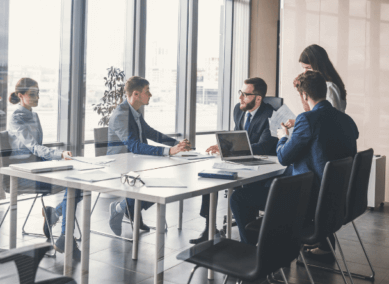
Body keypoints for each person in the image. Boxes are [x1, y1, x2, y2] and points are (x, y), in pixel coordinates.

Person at [275, 71, 359, 254]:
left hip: (311, 199)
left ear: (304, 95)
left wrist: (283, 138)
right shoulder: (347, 120)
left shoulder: (306, 119)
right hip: (339, 197)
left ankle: (269, 252)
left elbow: (283, 158)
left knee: (244, 198)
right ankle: (322, 244)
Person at [190, 77, 278, 244]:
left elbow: (264, 146)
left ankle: (250, 238)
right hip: (239, 160)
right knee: (211, 177)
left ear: (258, 98)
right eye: (240, 93)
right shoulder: (239, 109)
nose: (240, 98)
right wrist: (223, 146)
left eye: (245, 94)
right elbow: (238, 136)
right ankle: (210, 228)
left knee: (242, 196)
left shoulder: (271, 116)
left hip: (262, 166)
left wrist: (230, 149)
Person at [8, 77, 82, 260]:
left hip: (38, 166)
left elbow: (38, 149)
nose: (37, 97)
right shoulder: (16, 118)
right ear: (21, 95)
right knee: (73, 185)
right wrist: (59, 155)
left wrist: (57, 159)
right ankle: (63, 233)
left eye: (38, 93)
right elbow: (33, 147)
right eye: (33, 94)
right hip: (24, 173)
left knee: (78, 183)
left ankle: (56, 216)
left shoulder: (33, 115)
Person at [107, 76, 191, 235]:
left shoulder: (134, 112)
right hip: (120, 165)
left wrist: (176, 144)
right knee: (155, 184)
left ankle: (129, 208)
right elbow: (134, 146)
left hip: (135, 162)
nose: (150, 95)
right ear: (136, 94)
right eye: (147, 91)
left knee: (162, 183)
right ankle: (120, 208)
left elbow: (150, 133)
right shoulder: (121, 115)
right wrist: (168, 151)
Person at [284, 44, 347, 129]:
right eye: (303, 68)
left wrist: (298, 122)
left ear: (319, 66)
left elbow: (330, 120)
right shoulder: (323, 85)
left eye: (308, 68)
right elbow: (314, 114)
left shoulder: (329, 87)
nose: (305, 72)